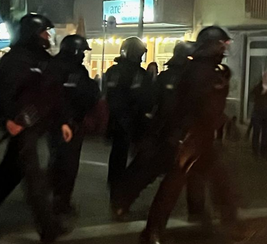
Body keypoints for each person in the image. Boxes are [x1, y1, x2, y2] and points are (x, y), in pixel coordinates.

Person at [141, 26, 253, 244]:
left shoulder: (206, 70)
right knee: (173, 185)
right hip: (190, 138)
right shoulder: (199, 72)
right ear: (211, 46)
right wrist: (220, 122)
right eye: (221, 45)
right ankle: (152, 232)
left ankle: (231, 226)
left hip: (201, 138)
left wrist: (223, 122)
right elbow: (199, 106)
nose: (224, 50)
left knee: (220, 181)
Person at [110, 41, 208, 222]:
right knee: (154, 171)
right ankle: (127, 206)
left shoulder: (168, 77)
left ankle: (195, 210)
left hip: (170, 134)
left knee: (188, 171)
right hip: (170, 135)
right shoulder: (182, 79)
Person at [0, 13, 72, 242]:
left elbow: (53, 94)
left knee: (11, 172)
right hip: (21, 126)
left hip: (35, 124)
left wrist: (62, 121)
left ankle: (48, 225)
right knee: (33, 176)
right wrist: (8, 120)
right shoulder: (15, 60)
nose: (47, 37)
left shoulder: (44, 60)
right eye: (43, 32)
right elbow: (4, 93)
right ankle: (48, 227)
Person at [47, 35, 101, 217]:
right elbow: (85, 93)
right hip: (69, 123)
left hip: (59, 123)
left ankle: (56, 197)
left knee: (58, 160)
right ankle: (61, 202)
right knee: (68, 165)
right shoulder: (72, 69)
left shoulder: (55, 65)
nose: (84, 55)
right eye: (82, 51)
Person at [105, 37, 154, 187]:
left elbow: (107, 94)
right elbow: (146, 100)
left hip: (115, 119)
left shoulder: (112, 71)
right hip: (133, 120)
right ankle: (123, 187)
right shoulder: (140, 74)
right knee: (136, 155)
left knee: (118, 153)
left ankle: (115, 184)